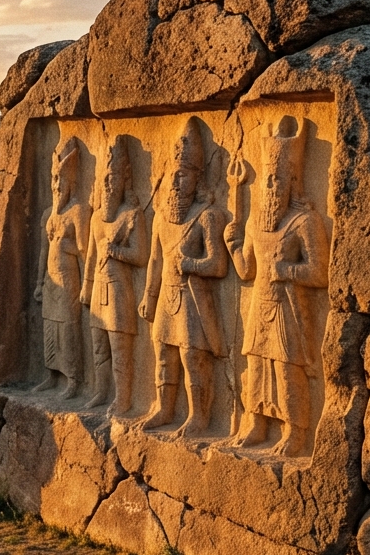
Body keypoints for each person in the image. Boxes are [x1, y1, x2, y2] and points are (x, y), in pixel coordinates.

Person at [224, 116, 328, 457]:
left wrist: (287, 270)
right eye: (267, 181)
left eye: (277, 181)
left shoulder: (305, 221)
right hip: (261, 306)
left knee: (286, 371)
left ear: (293, 183)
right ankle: (257, 423)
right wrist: (233, 245)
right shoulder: (254, 221)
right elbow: (245, 271)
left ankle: (296, 431)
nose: (270, 187)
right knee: (255, 368)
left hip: (288, 308)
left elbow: (319, 274)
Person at [138, 117, 228, 436]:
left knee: (194, 358)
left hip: (193, 299)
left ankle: (199, 417)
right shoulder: (161, 217)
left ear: (197, 178)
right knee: (163, 354)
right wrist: (149, 297)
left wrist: (189, 264)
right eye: (174, 175)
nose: (176, 182)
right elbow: (155, 260)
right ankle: (164, 408)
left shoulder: (207, 218)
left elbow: (217, 265)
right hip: (167, 297)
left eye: (184, 176)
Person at [80, 135, 147, 417]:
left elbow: (140, 256)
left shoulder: (132, 216)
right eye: (104, 180)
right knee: (99, 348)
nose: (109, 186)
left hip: (120, 291)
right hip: (98, 291)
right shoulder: (96, 219)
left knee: (120, 350)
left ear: (124, 181)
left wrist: (118, 251)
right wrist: (86, 288)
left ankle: (123, 398)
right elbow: (92, 257)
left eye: (113, 179)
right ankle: (99, 391)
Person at [33, 138, 90, 398]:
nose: (56, 186)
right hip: (50, 280)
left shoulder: (78, 212)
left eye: (61, 180)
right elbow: (44, 251)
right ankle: (52, 375)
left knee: (68, 328)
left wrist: (88, 285)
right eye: (54, 180)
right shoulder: (48, 214)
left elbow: (85, 251)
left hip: (69, 279)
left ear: (71, 182)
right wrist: (38, 283)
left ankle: (74, 380)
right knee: (50, 328)